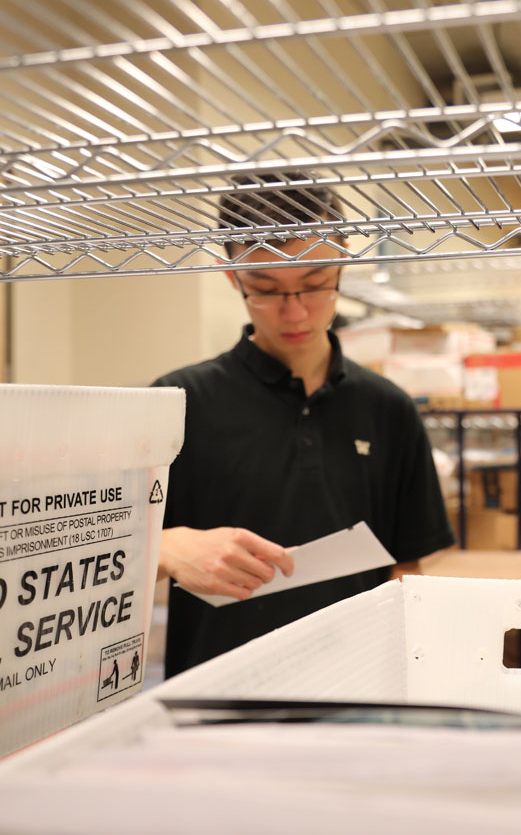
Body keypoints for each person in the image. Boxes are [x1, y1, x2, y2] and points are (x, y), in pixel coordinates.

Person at [153, 175, 454, 677]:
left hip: (356, 695)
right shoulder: (176, 405)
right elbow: (107, 558)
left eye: (314, 284)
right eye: (266, 290)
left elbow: (408, 569)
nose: (294, 311)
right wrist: (166, 548)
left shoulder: (389, 410)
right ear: (232, 275)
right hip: (214, 700)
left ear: (342, 258)